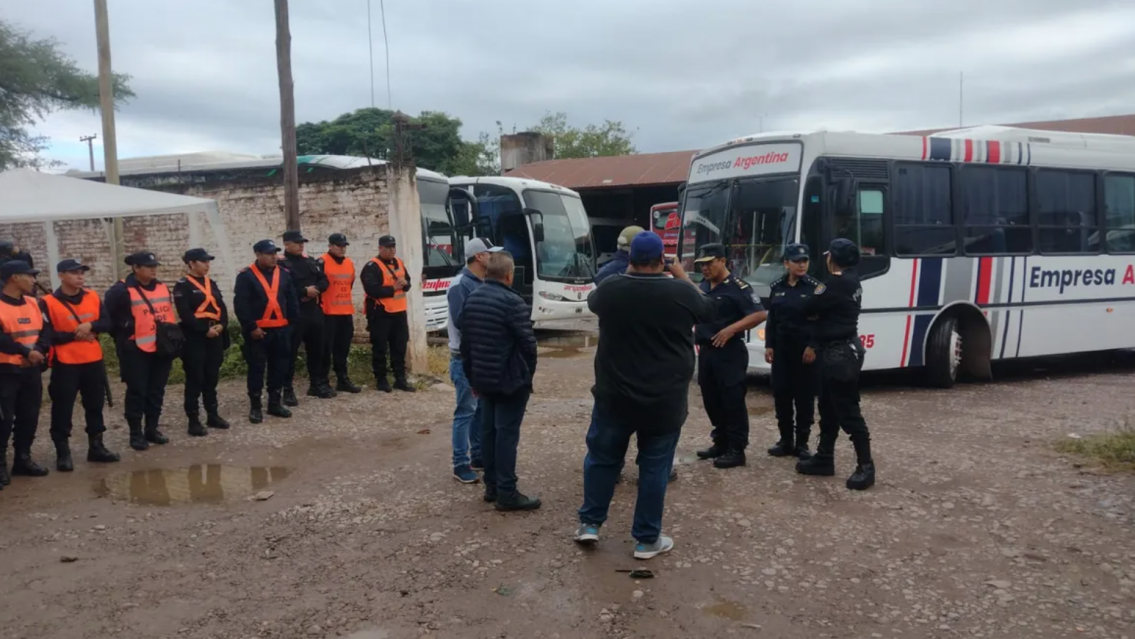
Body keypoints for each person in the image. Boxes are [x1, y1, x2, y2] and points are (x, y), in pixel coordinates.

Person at [575, 232, 715, 559]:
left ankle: (590, 525)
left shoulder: (610, 290)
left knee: (602, 460)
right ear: (662, 260)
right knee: (654, 468)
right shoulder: (680, 291)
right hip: (663, 401)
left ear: (631, 259)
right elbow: (709, 310)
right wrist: (679, 272)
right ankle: (646, 540)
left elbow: (594, 300)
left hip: (614, 397)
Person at [459, 251, 540, 511]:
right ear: (509, 275)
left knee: (489, 432)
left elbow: (466, 345)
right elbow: (528, 344)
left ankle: (492, 487)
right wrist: (527, 375)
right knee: (505, 436)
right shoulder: (512, 302)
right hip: (509, 381)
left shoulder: (472, 298)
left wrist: (472, 377)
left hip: (483, 379)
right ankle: (507, 492)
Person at [795, 238, 875, 491]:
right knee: (829, 408)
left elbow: (806, 308)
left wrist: (816, 313)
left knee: (848, 411)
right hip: (841, 349)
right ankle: (824, 458)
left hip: (838, 354)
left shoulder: (836, 284)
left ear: (833, 259)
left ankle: (866, 466)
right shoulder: (852, 280)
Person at [691, 243, 767, 469]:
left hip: (729, 351)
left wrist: (731, 329)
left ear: (722, 261)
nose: (705, 269)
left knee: (732, 400)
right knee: (711, 399)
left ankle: (737, 448)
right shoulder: (704, 285)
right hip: (706, 351)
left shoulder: (737, 287)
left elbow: (759, 314)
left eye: (709, 263)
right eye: (702, 265)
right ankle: (720, 441)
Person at [39, 258, 120, 471]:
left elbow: (107, 323)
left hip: (93, 360)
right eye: (74, 273)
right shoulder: (47, 302)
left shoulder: (92, 296)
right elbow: (47, 335)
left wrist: (90, 325)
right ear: (61, 276)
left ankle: (97, 447)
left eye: (82, 272)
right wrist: (77, 334)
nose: (80, 276)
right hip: (65, 363)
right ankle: (63, 453)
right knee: (62, 408)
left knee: (95, 405)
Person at [105, 251, 176, 451]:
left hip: (162, 348)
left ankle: (152, 429)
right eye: (148, 266)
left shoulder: (162, 287)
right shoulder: (120, 291)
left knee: (156, 391)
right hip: (134, 350)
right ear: (135, 268)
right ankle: (135, 433)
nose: (153, 269)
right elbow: (108, 320)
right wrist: (125, 337)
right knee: (137, 392)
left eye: (155, 266)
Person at [446, 237, 502, 484]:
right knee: (465, 411)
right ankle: (460, 463)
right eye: (490, 254)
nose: (493, 258)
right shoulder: (460, 284)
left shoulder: (480, 282)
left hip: (479, 356)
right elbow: (462, 321)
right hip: (463, 357)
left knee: (479, 410)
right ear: (479, 256)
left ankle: (477, 455)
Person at [764, 243, 822, 459]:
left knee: (805, 398)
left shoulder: (815, 288)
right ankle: (785, 440)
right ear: (786, 263)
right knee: (782, 397)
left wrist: (812, 346)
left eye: (804, 260)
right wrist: (769, 344)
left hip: (805, 353)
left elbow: (821, 322)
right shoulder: (777, 287)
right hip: (782, 352)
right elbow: (773, 319)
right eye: (797, 261)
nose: (801, 264)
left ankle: (803, 443)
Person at [234, 240, 300, 423]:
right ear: (258, 254)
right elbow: (241, 305)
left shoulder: (285, 274)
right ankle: (255, 406)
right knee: (256, 369)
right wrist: (251, 327)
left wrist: (291, 326)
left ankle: (274, 403)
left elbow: (292, 301)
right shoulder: (246, 276)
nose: (274, 256)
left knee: (279, 368)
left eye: (275, 253)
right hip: (258, 333)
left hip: (281, 331)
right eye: (269, 253)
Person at [0, 260, 51, 484]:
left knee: (29, 416)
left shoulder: (34, 303)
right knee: (4, 420)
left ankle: (23, 459)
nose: (33, 280)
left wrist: (39, 350)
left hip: (31, 370)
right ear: (14, 278)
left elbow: (46, 330)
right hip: (5, 372)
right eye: (29, 276)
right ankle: (0, 465)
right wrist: (25, 352)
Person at [173, 248, 231, 437]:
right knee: (195, 378)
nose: (207, 265)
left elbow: (221, 307)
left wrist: (221, 325)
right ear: (191, 263)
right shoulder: (183, 286)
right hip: (195, 338)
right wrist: (204, 330)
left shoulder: (211, 283)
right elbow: (185, 314)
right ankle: (193, 419)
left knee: (211, 377)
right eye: (203, 261)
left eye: (208, 261)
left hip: (215, 335)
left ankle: (212, 415)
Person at [280, 230, 334, 404]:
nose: (301, 245)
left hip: (313, 311)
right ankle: (287, 389)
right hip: (293, 314)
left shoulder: (309, 261)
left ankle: (316, 384)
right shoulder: (281, 264)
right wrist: (303, 291)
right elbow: (281, 289)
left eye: (302, 242)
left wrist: (315, 290)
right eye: (297, 242)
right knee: (290, 353)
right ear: (286, 244)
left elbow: (324, 280)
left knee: (318, 350)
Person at [361, 234, 414, 393]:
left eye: (393, 246)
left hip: (399, 312)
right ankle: (381, 379)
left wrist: (405, 284)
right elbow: (372, 290)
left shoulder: (399, 262)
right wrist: (393, 288)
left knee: (399, 346)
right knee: (380, 347)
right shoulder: (372, 266)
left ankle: (400, 379)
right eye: (388, 247)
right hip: (381, 313)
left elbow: (408, 283)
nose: (392, 250)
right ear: (380, 248)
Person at [318, 233, 362, 394]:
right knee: (325, 349)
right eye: (338, 245)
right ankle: (322, 381)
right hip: (327, 313)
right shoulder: (321, 262)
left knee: (343, 349)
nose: (342, 248)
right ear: (330, 246)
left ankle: (342, 379)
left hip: (345, 313)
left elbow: (349, 284)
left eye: (344, 245)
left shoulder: (349, 263)